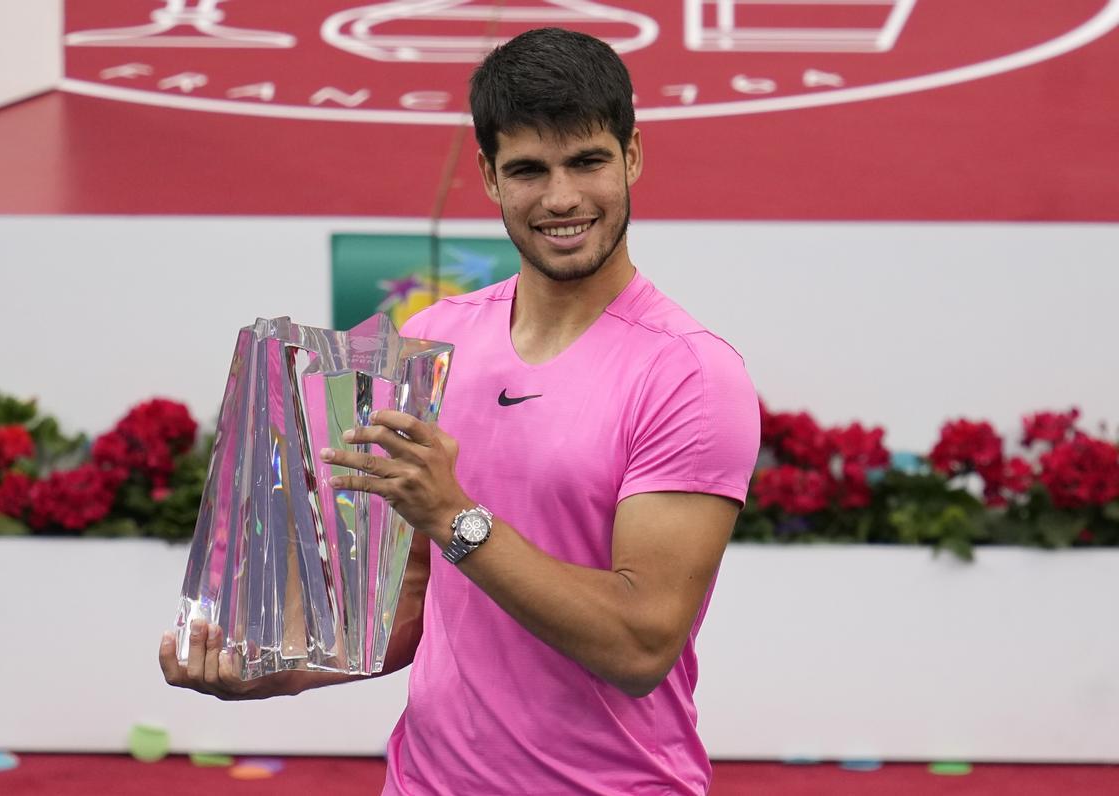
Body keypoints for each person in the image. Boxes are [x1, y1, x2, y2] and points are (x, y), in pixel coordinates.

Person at [161, 27, 760, 795]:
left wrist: (455, 517)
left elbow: (639, 646)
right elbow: (410, 599)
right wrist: (264, 667)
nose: (563, 197)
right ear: (488, 175)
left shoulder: (691, 374)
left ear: (632, 156)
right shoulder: (435, 338)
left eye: (588, 162)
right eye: (529, 170)